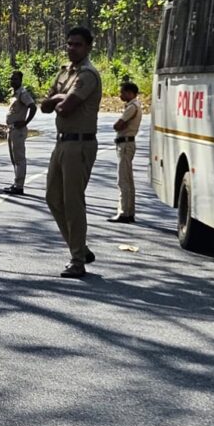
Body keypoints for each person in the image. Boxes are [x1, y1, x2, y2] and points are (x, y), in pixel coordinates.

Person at [40, 27, 102, 278]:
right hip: (62, 142)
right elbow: (45, 106)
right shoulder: (65, 72)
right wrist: (58, 98)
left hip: (80, 144)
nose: (71, 48)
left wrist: (57, 97)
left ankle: (77, 260)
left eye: (77, 44)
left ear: (88, 47)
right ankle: (80, 248)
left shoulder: (88, 75)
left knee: (73, 202)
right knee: (53, 197)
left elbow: (66, 107)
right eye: (69, 44)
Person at [107, 79, 142, 224]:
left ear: (130, 93)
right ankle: (129, 211)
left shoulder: (132, 107)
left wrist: (117, 126)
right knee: (128, 179)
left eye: (122, 92)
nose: (120, 95)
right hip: (127, 143)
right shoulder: (135, 105)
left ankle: (124, 213)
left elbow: (118, 125)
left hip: (126, 144)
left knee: (123, 180)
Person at [3, 70, 36, 195]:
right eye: (11, 79)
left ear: (20, 80)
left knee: (19, 158)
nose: (12, 81)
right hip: (11, 129)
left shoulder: (23, 93)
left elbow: (33, 107)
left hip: (18, 130)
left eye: (15, 79)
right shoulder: (14, 94)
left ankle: (19, 186)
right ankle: (16, 183)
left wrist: (25, 122)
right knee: (14, 158)